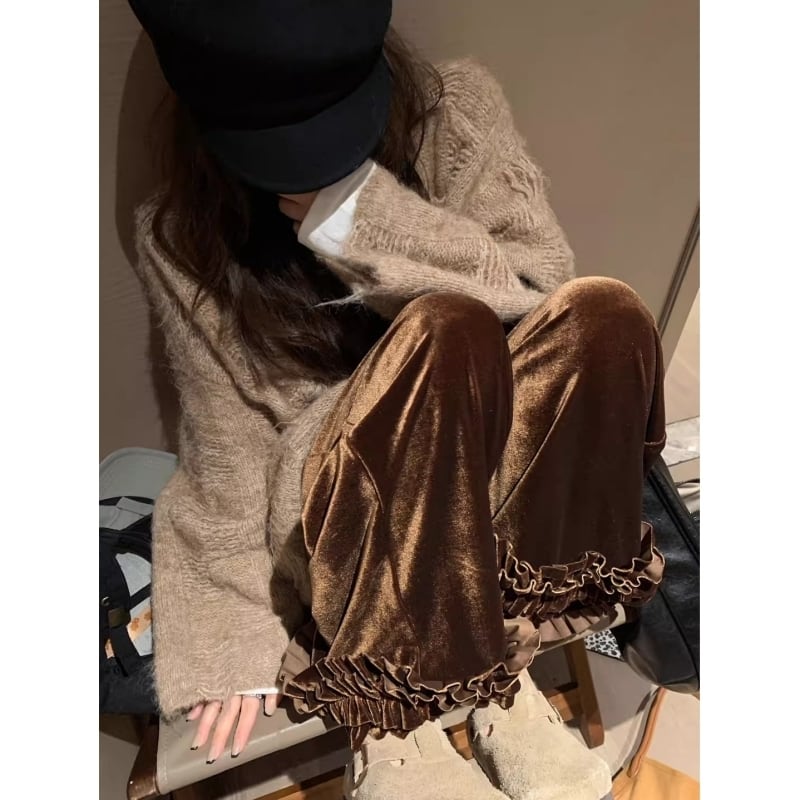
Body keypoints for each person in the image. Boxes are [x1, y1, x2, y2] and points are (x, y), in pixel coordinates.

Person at [127, 1, 665, 798]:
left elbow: (537, 291)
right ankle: (394, 717)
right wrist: (231, 635)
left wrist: (363, 222)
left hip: (487, 473)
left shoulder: (453, 112)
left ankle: (495, 671)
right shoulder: (181, 231)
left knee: (602, 315)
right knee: (438, 333)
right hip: (338, 514)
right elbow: (225, 444)